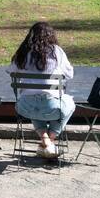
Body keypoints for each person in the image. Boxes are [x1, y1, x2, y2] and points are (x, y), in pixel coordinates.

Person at [9, 22, 76, 160]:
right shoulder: (56, 51)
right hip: (51, 107)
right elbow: (69, 74)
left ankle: (44, 139)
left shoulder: (22, 53)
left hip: (25, 107)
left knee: (33, 100)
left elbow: (11, 72)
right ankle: (50, 139)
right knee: (69, 103)